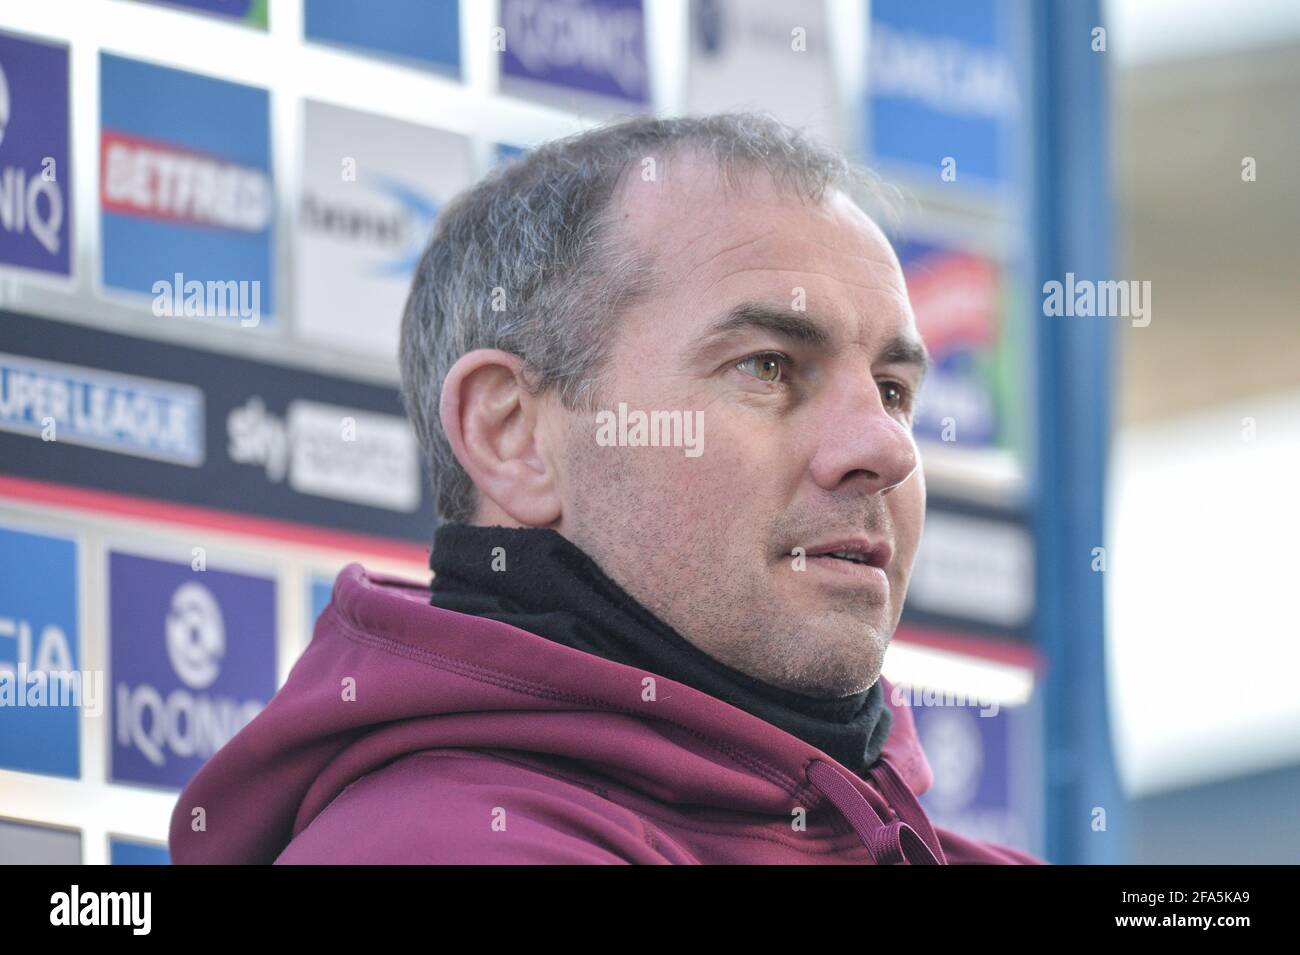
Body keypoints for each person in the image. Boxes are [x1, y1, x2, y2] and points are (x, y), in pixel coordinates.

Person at [169, 113, 1043, 864]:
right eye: (770, 367)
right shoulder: (442, 845)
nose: (885, 447)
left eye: (894, 390)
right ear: (511, 435)